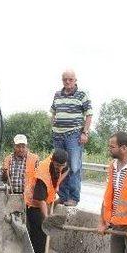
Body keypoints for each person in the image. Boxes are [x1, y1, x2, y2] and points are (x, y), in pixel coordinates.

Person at [50, 69, 93, 206]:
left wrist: (85, 132)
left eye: (70, 79)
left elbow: (89, 114)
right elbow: (53, 112)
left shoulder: (82, 95)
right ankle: (63, 197)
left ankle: (73, 198)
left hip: (73, 135)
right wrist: (53, 126)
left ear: (75, 80)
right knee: (60, 166)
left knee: (74, 166)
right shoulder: (57, 95)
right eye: (65, 79)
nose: (67, 82)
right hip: (58, 135)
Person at [24, 149, 69, 253]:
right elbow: (40, 200)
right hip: (34, 204)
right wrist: (47, 218)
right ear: (52, 161)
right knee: (39, 237)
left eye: (62, 165)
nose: (60, 168)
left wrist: (57, 183)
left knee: (43, 237)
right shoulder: (43, 173)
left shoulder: (63, 163)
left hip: (46, 201)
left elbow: (66, 169)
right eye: (57, 165)